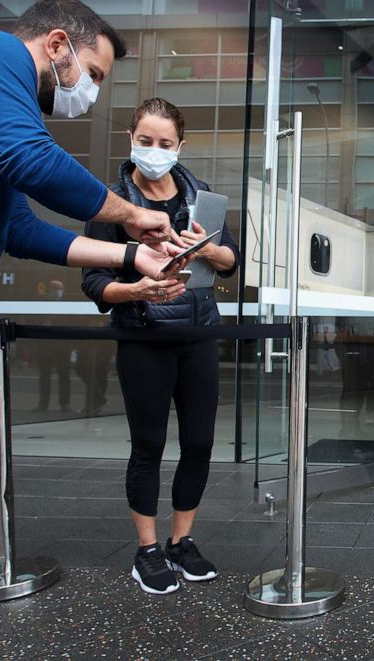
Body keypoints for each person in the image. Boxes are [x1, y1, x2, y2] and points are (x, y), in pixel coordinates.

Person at [0, 0, 183, 633]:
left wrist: (133, 255)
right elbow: (33, 163)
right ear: (58, 45)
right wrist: (133, 215)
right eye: (93, 73)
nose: (89, 93)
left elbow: (21, 229)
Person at [82, 98, 240, 595]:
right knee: (148, 446)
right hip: (143, 334)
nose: (155, 151)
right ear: (131, 138)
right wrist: (136, 290)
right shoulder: (110, 201)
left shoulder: (203, 195)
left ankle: (181, 542)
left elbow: (232, 263)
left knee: (199, 444)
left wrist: (212, 250)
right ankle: (146, 550)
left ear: (180, 146)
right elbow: (93, 282)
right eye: (145, 141)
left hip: (197, 335)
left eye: (165, 143)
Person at [32, 280, 73, 413]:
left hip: (62, 343)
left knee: (64, 374)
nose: (54, 290)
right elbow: (36, 319)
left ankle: (64, 403)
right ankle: (44, 403)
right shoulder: (43, 301)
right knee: (45, 374)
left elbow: (73, 320)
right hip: (46, 343)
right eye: (52, 288)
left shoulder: (68, 301)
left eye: (56, 288)